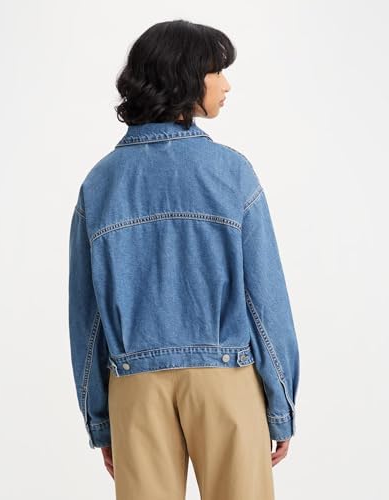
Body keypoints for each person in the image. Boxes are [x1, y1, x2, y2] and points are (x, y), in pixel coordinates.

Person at [68, 19, 300, 500]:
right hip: (225, 379)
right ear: (185, 76)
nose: (226, 84)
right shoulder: (231, 172)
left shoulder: (101, 183)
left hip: (136, 387)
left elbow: (87, 319)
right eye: (217, 70)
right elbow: (264, 298)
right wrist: (280, 403)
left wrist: (101, 418)